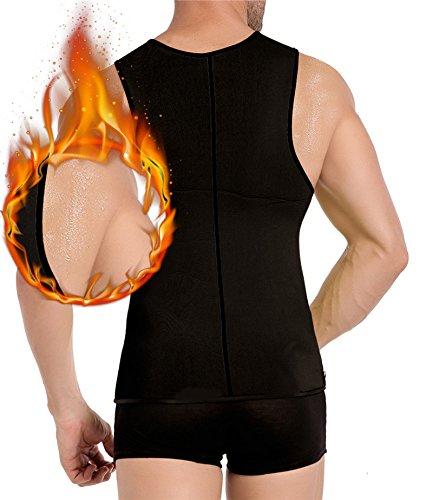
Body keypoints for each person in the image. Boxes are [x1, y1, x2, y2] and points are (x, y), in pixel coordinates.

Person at [16, 1, 408, 499]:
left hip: (160, 385)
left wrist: (67, 408)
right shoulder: (317, 87)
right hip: (282, 388)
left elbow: (44, 269)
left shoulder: (106, 93)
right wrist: (294, 342)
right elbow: (384, 249)